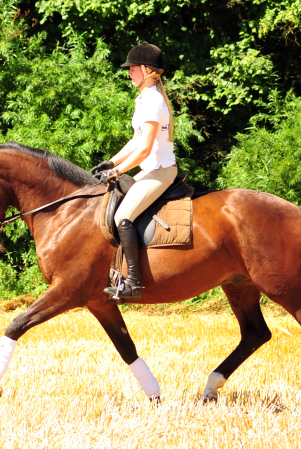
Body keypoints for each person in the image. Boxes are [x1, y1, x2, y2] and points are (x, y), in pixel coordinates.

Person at [90, 42, 177, 300]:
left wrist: (116, 172)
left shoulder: (153, 102)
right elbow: (136, 140)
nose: (129, 73)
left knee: (122, 217)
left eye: (133, 69)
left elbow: (144, 149)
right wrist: (111, 162)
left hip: (159, 172)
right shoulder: (145, 98)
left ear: (147, 70)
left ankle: (133, 283)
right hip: (150, 170)